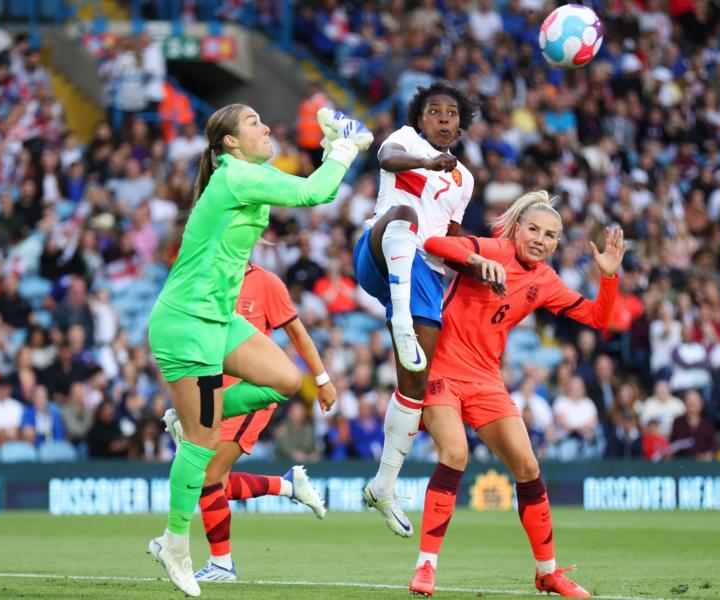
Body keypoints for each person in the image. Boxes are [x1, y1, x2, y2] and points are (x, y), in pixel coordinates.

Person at [145, 102, 370, 597]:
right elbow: (316, 191)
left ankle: (190, 418)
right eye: (253, 123)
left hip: (219, 321)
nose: (266, 126)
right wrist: (347, 148)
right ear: (229, 143)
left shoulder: (247, 175)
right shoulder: (235, 177)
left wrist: (332, 146)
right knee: (203, 446)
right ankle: (175, 544)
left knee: (289, 382)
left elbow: (307, 185)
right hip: (188, 325)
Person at [407, 191, 623, 598]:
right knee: (455, 453)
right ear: (518, 228)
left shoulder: (544, 281)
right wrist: (475, 260)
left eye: (551, 236)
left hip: (486, 379)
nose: (540, 239)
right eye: (534, 229)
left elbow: (599, 318)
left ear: (557, 244)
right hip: (442, 371)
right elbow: (432, 244)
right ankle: (426, 566)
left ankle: (547, 573)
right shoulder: (493, 248)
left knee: (527, 465)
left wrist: (608, 276)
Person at [345, 82, 479, 537]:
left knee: (414, 384)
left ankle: (383, 485)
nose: (442, 118)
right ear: (420, 119)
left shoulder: (466, 179)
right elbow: (385, 161)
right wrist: (426, 161)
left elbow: (453, 237)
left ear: (461, 124)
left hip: (425, 275)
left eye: (451, 113)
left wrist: (476, 264)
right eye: (434, 111)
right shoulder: (404, 140)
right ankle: (399, 317)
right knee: (404, 215)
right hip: (380, 250)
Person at [162, 262, 335, 582]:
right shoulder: (205, 277)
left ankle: (222, 564)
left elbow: (297, 331)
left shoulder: (267, 283)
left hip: (248, 397)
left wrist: (322, 379)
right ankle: (286, 485)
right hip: (212, 392)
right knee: (218, 483)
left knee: (208, 474)